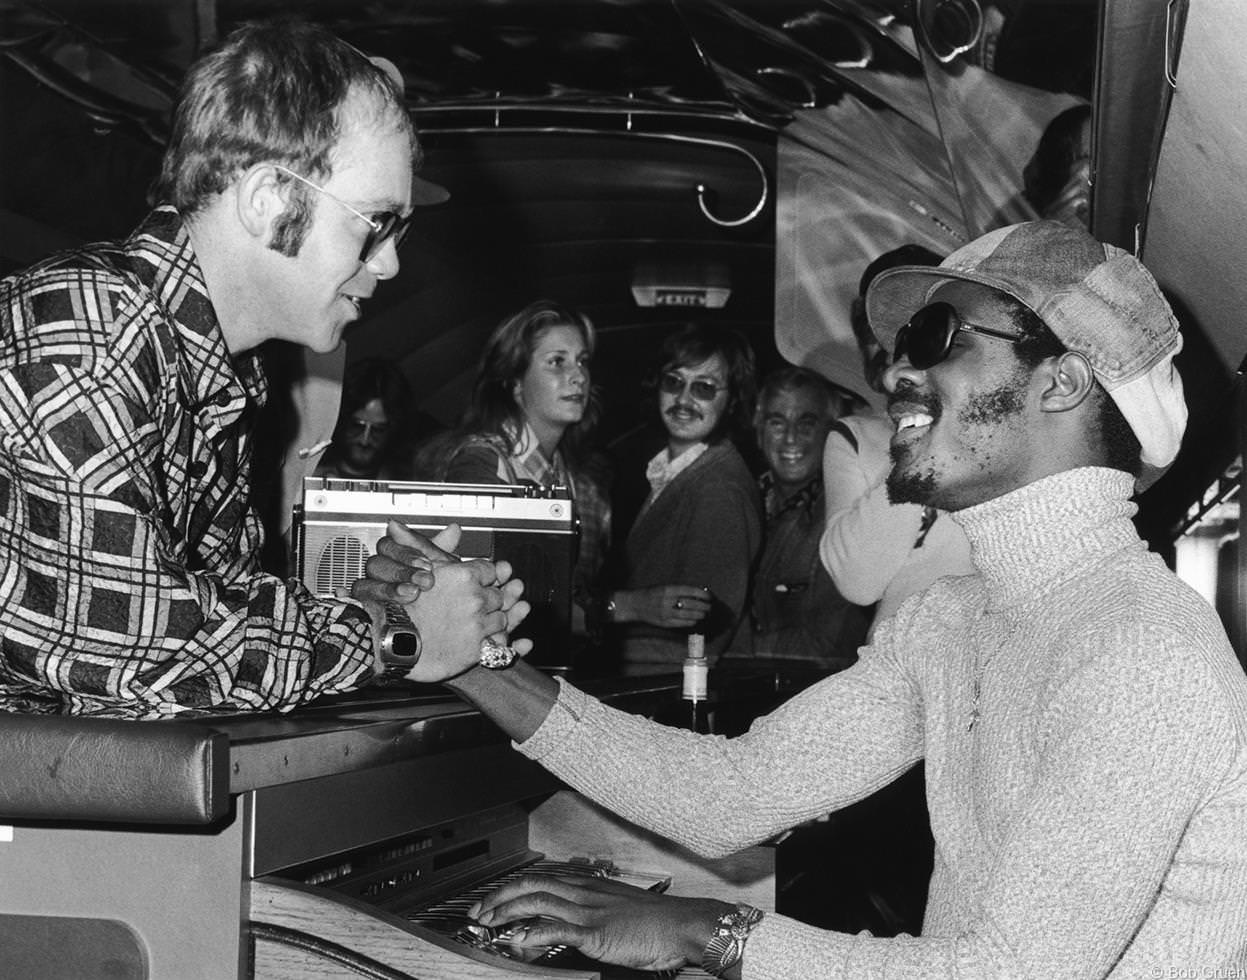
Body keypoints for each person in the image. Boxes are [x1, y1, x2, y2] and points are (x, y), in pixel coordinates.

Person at [359, 219, 1247, 973]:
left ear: (1060, 382)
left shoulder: (1141, 648)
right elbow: (731, 793)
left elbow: (1005, 973)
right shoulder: (952, 619)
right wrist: (473, 663)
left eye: (937, 339)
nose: (896, 371)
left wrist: (707, 931)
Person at [0, 18, 527, 718]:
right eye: (375, 224)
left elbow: (216, 607)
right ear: (268, 201)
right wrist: (392, 637)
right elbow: (137, 651)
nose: (392, 263)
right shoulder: (88, 335)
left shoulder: (223, 369)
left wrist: (367, 606)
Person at [821, 244, 974, 637]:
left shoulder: (988, 425)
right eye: (883, 327)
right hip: (894, 662)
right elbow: (857, 582)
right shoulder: (854, 437)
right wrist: (916, 438)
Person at [440, 299, 611, 637]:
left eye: (582, 362)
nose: (578, 376)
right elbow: (472, 596)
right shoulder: (483, 464)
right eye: (557, 362)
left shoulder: (576, 476)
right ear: (515, 381)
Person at [601, 324, 763, 674]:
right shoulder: (672, 471)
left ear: (732, 400)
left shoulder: (719, 488)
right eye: (674, 382)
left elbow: (702, 637)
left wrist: (604, 650)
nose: (684, 400)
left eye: (704, 388)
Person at [732, 365, 868, 669]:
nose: (791, 438)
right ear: (759, 429)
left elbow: (830, 647)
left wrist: (721, 651)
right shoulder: (739, 498)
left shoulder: (841, 517)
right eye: (777, 423)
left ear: (830, 431)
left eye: (807, 423)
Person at [316, 356, 414, 480]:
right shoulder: (307, 477)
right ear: (340, 421)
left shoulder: (407, 482)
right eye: (357, 426)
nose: (365, 440)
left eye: (378, 430)